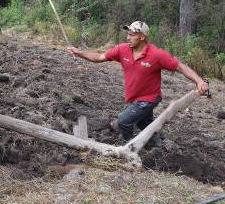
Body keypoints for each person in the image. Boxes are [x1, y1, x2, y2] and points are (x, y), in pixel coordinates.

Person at [67, 21, 209, 149]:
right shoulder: (122, 49)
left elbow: (180, 67)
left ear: (142, 37)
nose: (128, 38)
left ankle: (128, 146)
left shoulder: (157, 54)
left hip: (149, 98)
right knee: (144, 124)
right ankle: (156, 147)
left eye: (132, 35)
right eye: (128, 34)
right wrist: (78, 52)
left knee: (124, 121)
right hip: (135, 99)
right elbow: (98, 57)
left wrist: (199, 81)